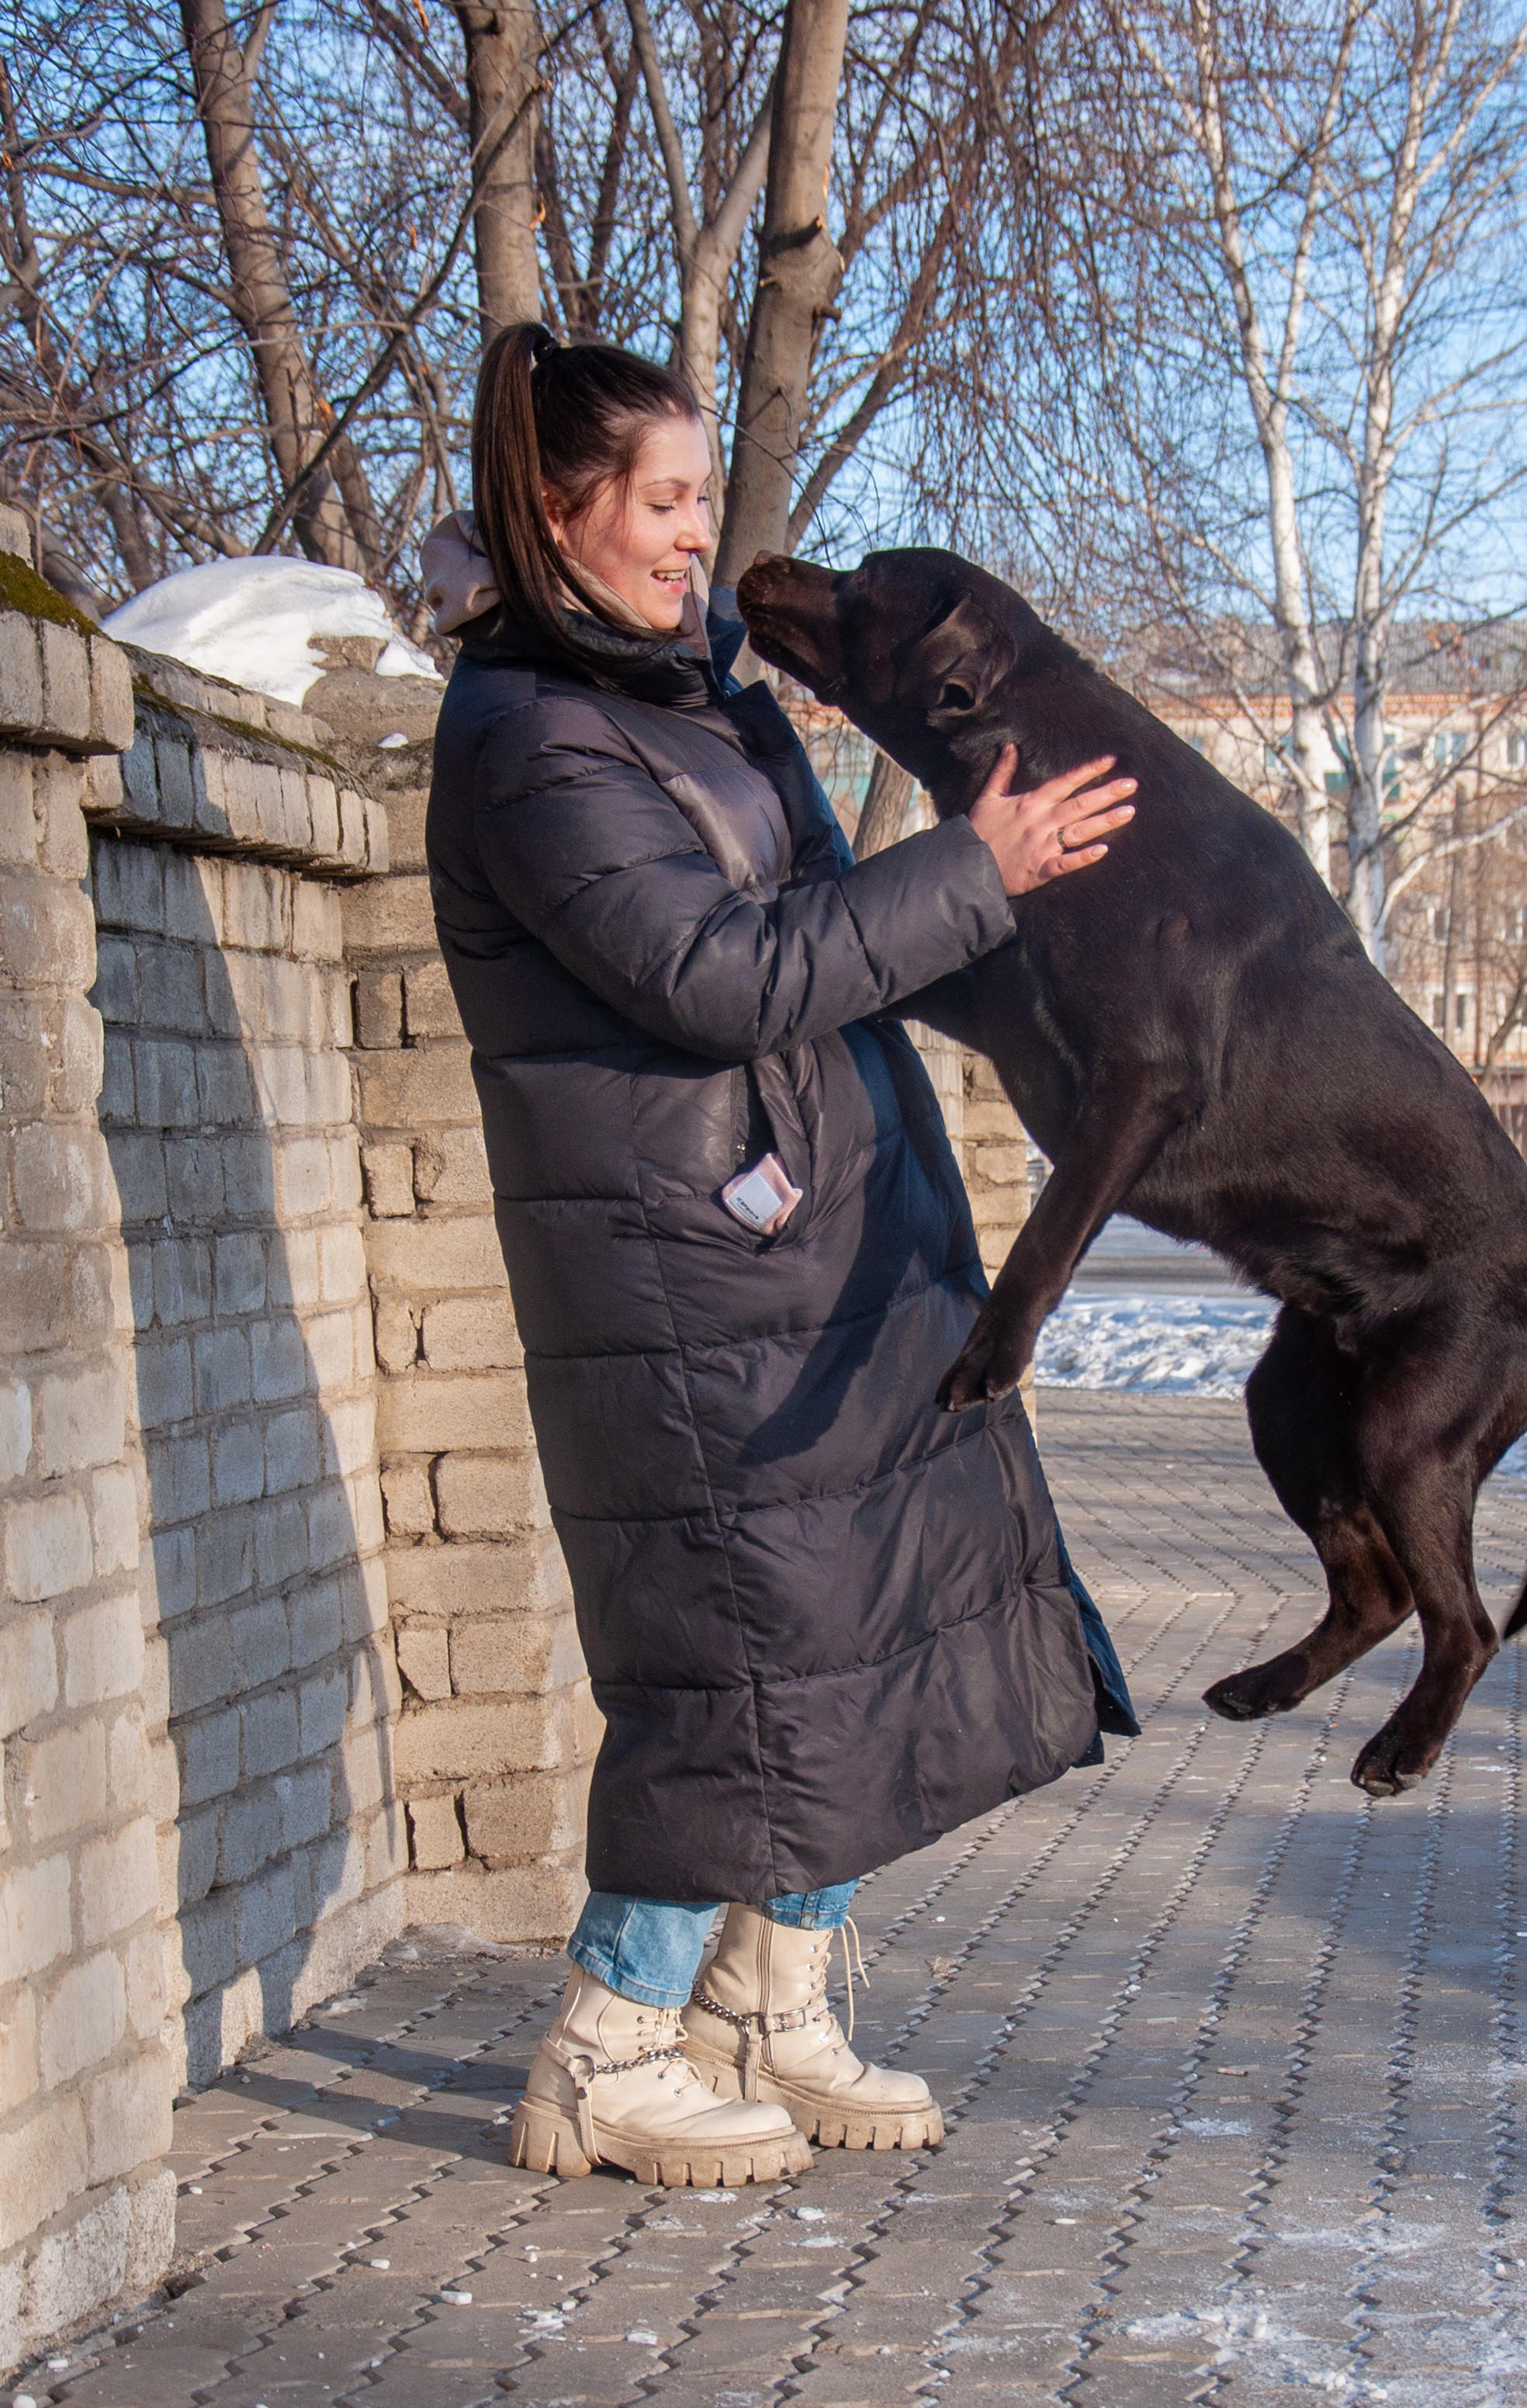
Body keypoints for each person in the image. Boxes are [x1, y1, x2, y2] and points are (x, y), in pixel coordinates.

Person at [421, 324, 1138, 2191]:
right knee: (735, 1658)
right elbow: (713, 974)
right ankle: (603, 2047)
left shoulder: (691, 697)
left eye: (696, 497)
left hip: (812, 1238)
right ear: (559, 509)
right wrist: (972, 866)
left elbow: (833, 925)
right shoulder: (525, 735)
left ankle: (770, 1996)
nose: (693, 536)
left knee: (841, 1630)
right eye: (660, 502)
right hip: (683, 1281)